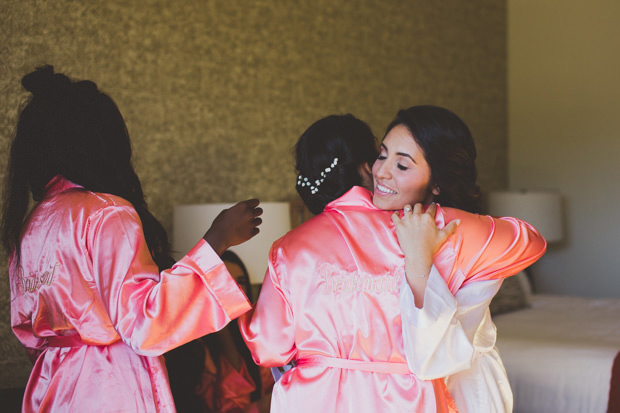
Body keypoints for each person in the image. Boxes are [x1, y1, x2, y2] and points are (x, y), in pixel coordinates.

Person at [240, 109, 546, 412]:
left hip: (312, 399)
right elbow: (529, 241)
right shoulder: (437, 227)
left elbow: (267, 348)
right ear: (366, 163)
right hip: (406, 400)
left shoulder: (290, 248)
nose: (383, 171)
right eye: (381, 156)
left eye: (401, 164)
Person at [1, 65, 262, 412]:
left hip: (50, 387)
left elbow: (29, 332)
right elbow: (144, 325)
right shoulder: (107, 213)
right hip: (110, 388)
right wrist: (216, 242)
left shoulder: (30, 228)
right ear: (102, 142)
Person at [166, 250, 274, 412]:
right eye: (228, 281)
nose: (237, 289)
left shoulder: (259, 335)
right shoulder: (193, 346)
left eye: (241, 281)